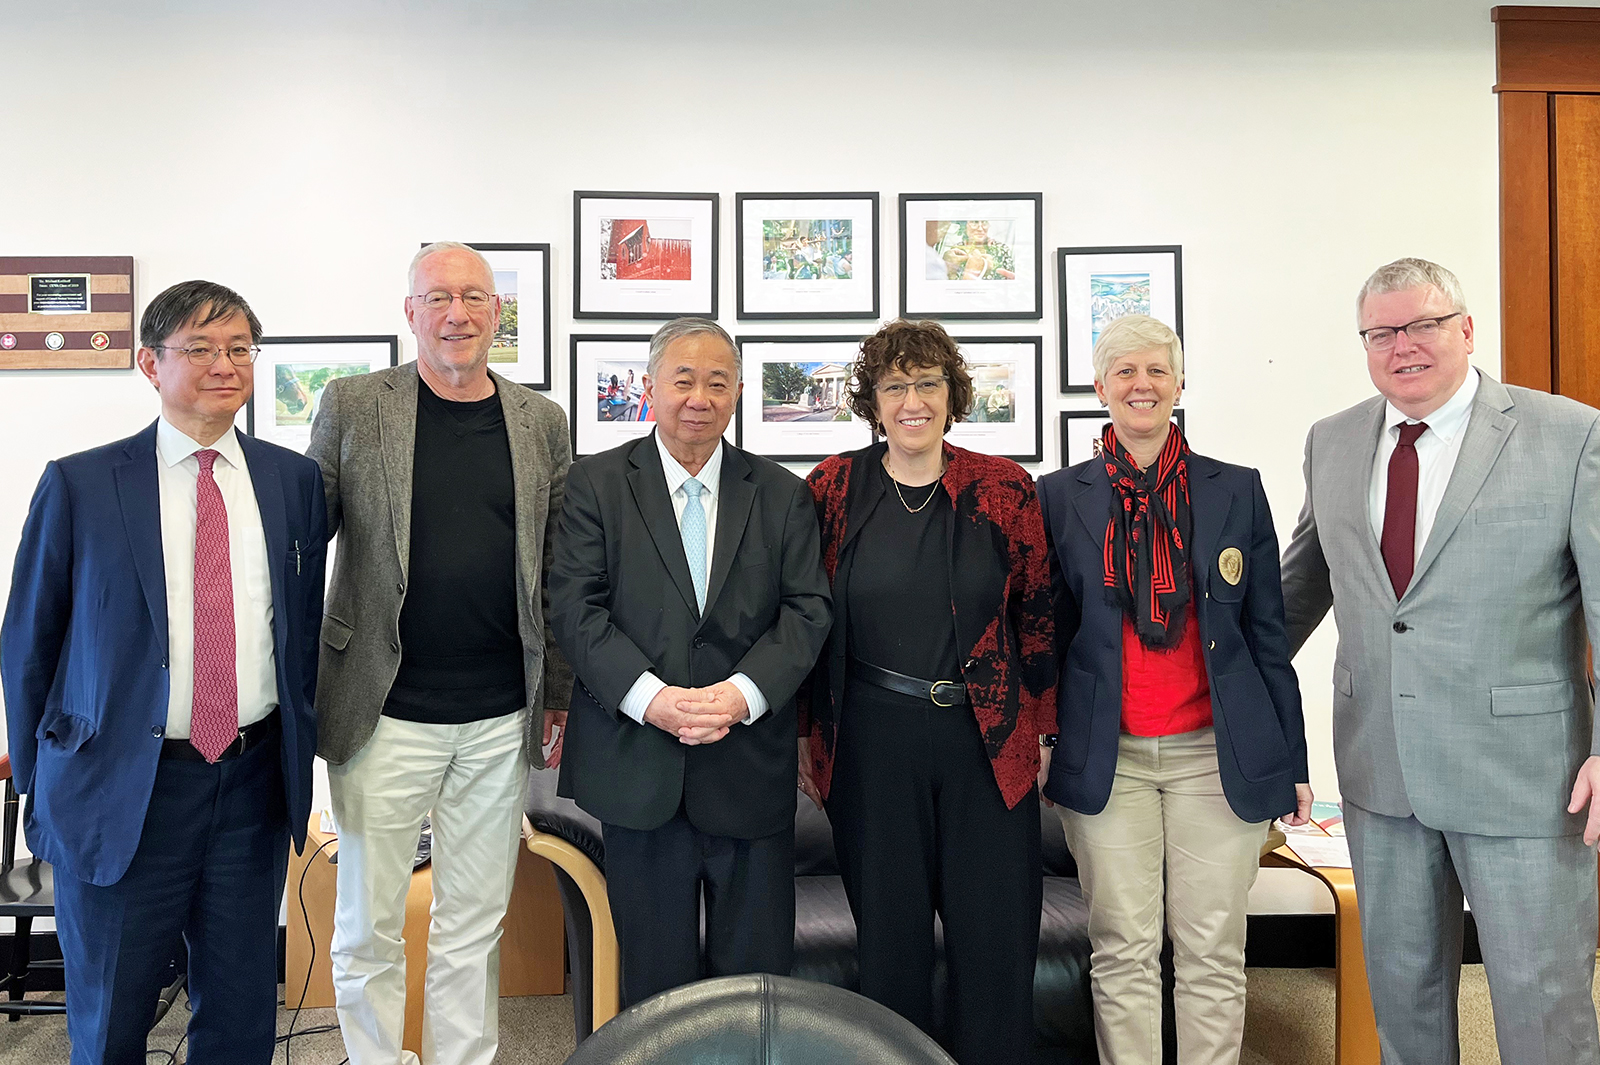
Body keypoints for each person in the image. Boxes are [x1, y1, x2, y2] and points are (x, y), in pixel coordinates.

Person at [1280, 258, 1600, 1065]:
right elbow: (1294, 595)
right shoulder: (1332, 440)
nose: (1404, 346)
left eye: (1423, 325)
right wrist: (1208, 692)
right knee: (1404, 1004)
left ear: (1466, 328)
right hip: (1380, 772)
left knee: (1542, 1006)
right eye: (1382, 333)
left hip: (1526, 777)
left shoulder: (1571, 435)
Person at [1, 280, 327, 1063]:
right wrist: (42, 786)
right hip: (120, 788)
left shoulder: (293, 481)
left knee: (241, 1013)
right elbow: (28, 643)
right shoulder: (80, 483)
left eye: (240, 348)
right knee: (112, 1017)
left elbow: (303, 628)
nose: (225, 365)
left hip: (250, 784)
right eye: (201, 348)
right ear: (150, 363)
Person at [306, 241, 573, 1065]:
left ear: (497, 312)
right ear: (410, 312)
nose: (457, 313)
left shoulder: (540, 420)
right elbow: (300, 537)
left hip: (499, 714)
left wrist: (557, 690)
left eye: (473, 297)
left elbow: (558, 566)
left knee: (473, 922)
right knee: (368, 925)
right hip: (383, 710)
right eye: (438, 297)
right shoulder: (355, 404)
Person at [1037, 314, 1310, 1065]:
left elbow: (1267, 637)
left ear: (1180, 384)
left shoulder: (1235, 489)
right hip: (1109, 759)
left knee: (1212, 952)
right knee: (1122, 950)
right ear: (1100, 388)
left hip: (1213, 757)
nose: (1142, 384)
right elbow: (1045, 634)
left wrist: (1292, 761)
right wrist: (1041, 741)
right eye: (1124, 372)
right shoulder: (1059, 496)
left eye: (1156, 370)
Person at [549, 317, 832, 1008]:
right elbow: (575, 609)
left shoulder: (782, 493)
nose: (699, 398)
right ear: (649, 388)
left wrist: (741, 694)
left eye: (717, 382)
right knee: (655, 990)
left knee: (757, 989)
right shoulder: (594, 484)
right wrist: (653, 699)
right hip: (638, 769)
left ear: (738, 392)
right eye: (683, 380)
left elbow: (807, 611)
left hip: (748, 768)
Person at [801, 318, 1056, 1065]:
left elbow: (1038, 615)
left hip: (987, 740)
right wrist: (804, 736)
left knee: (996, 944)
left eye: (927, 383)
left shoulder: (1004, 488)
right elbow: (806, 621)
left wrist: (1044, 729)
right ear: (872, 401)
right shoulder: (832, 488)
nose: (912, 401)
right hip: (871, 741)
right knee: (891, 946)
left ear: (953, 394)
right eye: (894, 386)